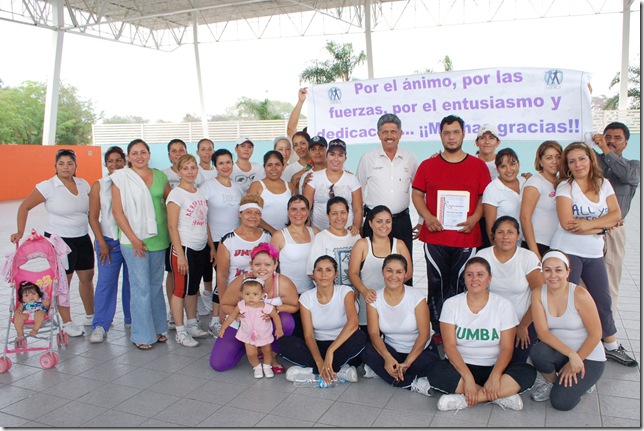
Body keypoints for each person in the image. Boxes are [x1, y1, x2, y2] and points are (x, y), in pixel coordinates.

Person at [550, 142, 637, 366]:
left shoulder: (604, 184)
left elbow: (616, 214)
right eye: (572, 161)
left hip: (593, 252)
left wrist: (591, 226)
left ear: (591, 160)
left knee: (602, 300)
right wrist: (602, 226)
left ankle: (611, 345)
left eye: (582, 159)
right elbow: (567, 223)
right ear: (567, 166)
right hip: (567, 252)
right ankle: (561, 348)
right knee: (565, 300)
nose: (578, 164)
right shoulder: (565, 187)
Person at [412, 115, 491, 347]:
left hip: (466, 237)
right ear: (441, 135)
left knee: (462, 284)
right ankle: (437, 331)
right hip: (435, 237)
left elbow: (484, 197)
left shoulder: (478, 166)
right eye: (447, 133)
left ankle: (460, 328)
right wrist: (427, 217)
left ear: (464, 134)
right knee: (436, 284)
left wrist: (475, 218)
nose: (451, 137)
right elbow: (417, 194)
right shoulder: (428, 165)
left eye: (456, 132)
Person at [427, 257, 536, 412]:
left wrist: (495, 376)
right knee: (435, 372)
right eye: (470, 274)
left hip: (493, 366)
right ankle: (501, 395)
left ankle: (468, 398)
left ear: (489, 279)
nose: (474, 279)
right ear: (464, 278)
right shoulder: (451, 304)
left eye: (480, 274)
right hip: (461, 367)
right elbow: (449, 347)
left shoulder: (504, 306)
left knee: (528, 371)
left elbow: (506, 348)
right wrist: (468, 377)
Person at [11, 148, 94, 337]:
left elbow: (90, 213)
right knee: (64, 282)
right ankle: (67, 322)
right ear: (55, 166)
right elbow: (25, 206)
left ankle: (91, 315)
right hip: (59, 240)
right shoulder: (48, 186)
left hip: (82, 237)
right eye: (61, 163)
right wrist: (19, 232)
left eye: (70, 163)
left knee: (87, 276)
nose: (66, 167)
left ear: (76, 166)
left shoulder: (83, 184)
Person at [111, 139, 170, 350]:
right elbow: (117, 212)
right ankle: (142, 335)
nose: (139, 156)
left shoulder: (160, 176)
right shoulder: (121, 178)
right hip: (132, 241)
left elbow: (171, 203)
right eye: (134, 153)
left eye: (142, 152)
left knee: (155, 287)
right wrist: (134, 239)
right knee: (140, 288)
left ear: (149, 153)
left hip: (159, 239)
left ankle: (158, 328)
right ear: (128, 157)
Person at [529, 250, 606, 411]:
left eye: (558, 270)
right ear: (542, 272)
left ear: (567, 272)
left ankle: (583, 383)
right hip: (562, 352)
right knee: (538, 352)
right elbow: (543, 333)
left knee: (561, 403)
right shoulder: (538, 293)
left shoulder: (579, 294)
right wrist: (571, 355)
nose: (552, 275)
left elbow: (596, 334)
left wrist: (577, 359)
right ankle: (553, 383)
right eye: (547, 270)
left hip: (589, 355)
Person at [210, 243, 299, 373]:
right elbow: (225, 304)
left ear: (275, 265)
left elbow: (294, 306)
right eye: (257, 265)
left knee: (286, 321)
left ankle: (272, 356)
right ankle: (250, 347)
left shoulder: (283, 283)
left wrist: (275, 309)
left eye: (267, 265)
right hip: (243, 326)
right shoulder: (242, 281)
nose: (262, 269)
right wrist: (238, 316)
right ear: (251, 265)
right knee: (219, 364)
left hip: (266, 327)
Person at [280, 255, 366, 384]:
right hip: (317, 345)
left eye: (328, 270)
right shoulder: (306, 297)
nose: (323, 274)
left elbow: (353, 324)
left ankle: (313, 371)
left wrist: (331, 351)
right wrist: (320, 361)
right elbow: (308, 335)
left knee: (360, 337)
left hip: (341, 345)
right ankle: (335, 371)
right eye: (319, 270)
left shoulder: (345, 291)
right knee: (284, 343)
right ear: (313, 274)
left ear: (335, 273)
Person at [360, 254, 436, 395]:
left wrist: (407, 363)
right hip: (392, 350)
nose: (393, 276)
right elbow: (374, 334)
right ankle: (411, 382)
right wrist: (388, 358)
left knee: (431, 364)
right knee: (366, 349)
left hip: (418, 352)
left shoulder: (416, 296)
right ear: (383, 271)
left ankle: (386, 373)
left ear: (405, 274)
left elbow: (424, 334)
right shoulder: (374, 298)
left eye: (399, 272)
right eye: (389, 270)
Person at [476, 216, 542, 363]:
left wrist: (523, 325)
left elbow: (540, 295)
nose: (505, 237)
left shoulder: (528, 257)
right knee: (488, 362)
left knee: (516, 364)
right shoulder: (482, 256)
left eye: (510, 232)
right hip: (490, 321)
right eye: (500, 232)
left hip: (522, 321)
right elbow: (474, 292)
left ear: (518, 236)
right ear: (493, 236)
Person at [591, 122, 640, 315]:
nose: (611, 141)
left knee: (610, 277)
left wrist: (604, 148)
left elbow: (626, 175)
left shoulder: (634, 166)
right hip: (589, 228)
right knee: (586, 280)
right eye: (607, 136)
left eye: (617, 138)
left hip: (614, 230)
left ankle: (607, 329)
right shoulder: (592, 161)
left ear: (626, 143)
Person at [357, 113, 421, 259]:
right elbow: (358, 192)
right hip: (374, 223)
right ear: (379, 135)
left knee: (403, 265)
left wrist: (422, 221)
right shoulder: (368, 158)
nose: (389, 136)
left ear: (400, 134)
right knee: (372, 266)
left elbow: (420, 192)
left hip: (401, 223)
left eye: (393, 132)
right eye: (385, 132)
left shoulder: (410, 158)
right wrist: (358, 223)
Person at [166, 154, 214, 347]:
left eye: (193, 167)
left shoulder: (200, 192)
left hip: (200, 247)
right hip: (184, 248)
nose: (190, 171)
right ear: (178, 171)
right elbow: (172, 226)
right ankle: (180, 330)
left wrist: (211, 246)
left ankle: (192, 323)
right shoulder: (176, 194)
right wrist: (180, 255)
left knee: (193, 288)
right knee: (179, 290)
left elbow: (205, 222)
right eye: (185, 168)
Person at [88, 146, 130, 343]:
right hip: (109, 242)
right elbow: (93, 217)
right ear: (106, 164)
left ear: (124, 161)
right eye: (111, 161)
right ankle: (100, 325)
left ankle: (132, 320)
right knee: (106, 283)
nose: (115, 164)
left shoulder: (131, 181)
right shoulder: (99, 185)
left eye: (118, 160)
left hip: (129, 241)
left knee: (132, 283)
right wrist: (102, 242)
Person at [199, 148, 243, 334]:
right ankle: (215, 320)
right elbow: (203, 218)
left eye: (228, 162)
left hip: (234, 241)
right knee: (221, 280)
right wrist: (211, 246)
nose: (225, 166)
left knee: (232, 280)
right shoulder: (208, 187)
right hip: (216, 242)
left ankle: (229, 316)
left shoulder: (237, 187)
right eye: (221, 163)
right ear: (215, 166)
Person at [348, 205, 413, 327]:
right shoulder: (362, 244)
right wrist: (365, 291)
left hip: (393, 301)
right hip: (368, 301)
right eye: (379, 221)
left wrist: (391, 287)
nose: (384, 225)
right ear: (370, 223)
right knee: (369, 337)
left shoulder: (399, 245)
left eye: (388, 221)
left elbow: (408, 273)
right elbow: (353, 273)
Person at [213, 194, 272, 325]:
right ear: (240, 214)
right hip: (235, 297)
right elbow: (221, 276)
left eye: (257, 213)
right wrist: (223, 306)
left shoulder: (267, 237)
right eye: (248, 212)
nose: (253, 216)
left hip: (260, 296)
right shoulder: (228, 240)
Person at [218, 277, 284, 378]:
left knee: (267, 350)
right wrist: (223, 328)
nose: (251, 297)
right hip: (247, 334)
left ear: (262, 295)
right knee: (251, 353)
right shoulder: (241, 305)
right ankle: (256, 367)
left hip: (264, 334)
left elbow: (275, 316)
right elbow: (231, 316)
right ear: (242, 294)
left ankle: (267, 366)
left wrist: (279, 328)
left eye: (255, 294)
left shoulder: (266, 306)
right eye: (247, 294)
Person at [303, 139, 362, 233]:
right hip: (319, 233)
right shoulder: (314, 177)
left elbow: (358, 210)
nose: (336, 159)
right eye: (332, 154)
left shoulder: (352, 179)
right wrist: (306, 231)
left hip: (346, 233)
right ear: (326, 156)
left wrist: (356, 229)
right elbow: (305, 208)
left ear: (345, 158)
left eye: (340, 155)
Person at [519, 141, 562, 261]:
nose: (554, 161)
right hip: (537, 245)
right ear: (540, 161)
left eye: (558, 157)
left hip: (555, 245)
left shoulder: (562, 183)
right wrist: (535, 253)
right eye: (549, 158)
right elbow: (524, 217)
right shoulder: (535, 182)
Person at [307, 196, 360, 290]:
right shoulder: (320, 238)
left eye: (343, 212)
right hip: (330, 296)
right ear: (328, 215)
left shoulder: (355, 236)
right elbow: (312, 273)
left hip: (355, 295)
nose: (339, 217)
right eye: (334, 213)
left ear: (348, 213)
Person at [271, 195, 319, 295]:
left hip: (312, 293)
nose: (298, 213)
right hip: (287, 294)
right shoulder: (279, 236)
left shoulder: (315, 232)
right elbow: (270, 267)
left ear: (308, 212)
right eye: (294, 209)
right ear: (288, 212)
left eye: (303, 209)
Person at [482, 148, 525, 245]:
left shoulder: (526, 182)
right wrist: (498, 251)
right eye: (503, 166)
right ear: (497, 168)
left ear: (518, 164)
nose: (509, 170)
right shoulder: (492, 189)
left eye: (512, 164)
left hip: (526, 244)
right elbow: (490, 227)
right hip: (505, 246)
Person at [246, 151, 294, 234]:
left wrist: (284, 235)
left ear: (283, 166)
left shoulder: (290, 186)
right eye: (269, 165)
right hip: (260, 236)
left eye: (277, 164)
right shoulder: (256, 186)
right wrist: (274, 232)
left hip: (285, 236)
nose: (274, 168)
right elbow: (249, 213)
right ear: (264, 167)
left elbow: (295, 213)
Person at [475, 124, 501, 249]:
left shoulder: (504, 164)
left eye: (491, 138)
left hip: (497, 217)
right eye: (483, 137)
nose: (487, 141)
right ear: (476, 142)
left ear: (498, 142)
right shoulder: (469, 163)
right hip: (474, 220)